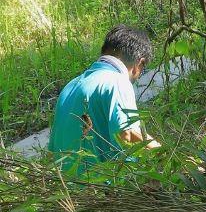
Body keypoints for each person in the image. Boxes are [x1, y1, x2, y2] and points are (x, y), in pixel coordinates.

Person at [49, 25, 161, 171]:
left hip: (69, 189)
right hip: (103, 190)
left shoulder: (70, 87)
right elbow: (127, 135)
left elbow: (54, 150)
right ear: (139, 64)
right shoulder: (117, 82)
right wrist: (168, 156)